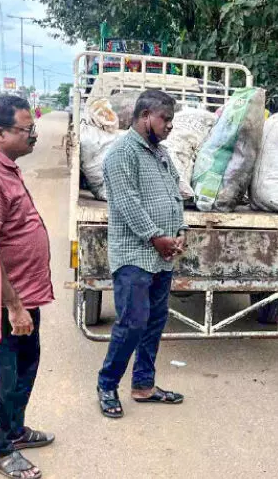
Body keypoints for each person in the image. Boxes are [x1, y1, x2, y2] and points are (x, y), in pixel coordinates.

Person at [0, 95, 55, 479]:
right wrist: (14, 306)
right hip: (7, 301)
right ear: (0, 133)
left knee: (24, 367)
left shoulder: (5, 167)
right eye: (27, 129)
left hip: (23, 295)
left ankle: (15, 430)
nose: (34, 135)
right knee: (5, 377)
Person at [96, 89, 187, 418]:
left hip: (162, 256)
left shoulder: (160, 153)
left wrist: (180, 233)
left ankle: (143, 385)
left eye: (172, 121)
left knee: (154, 323)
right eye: (165, 119)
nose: (169, 126)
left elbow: (175, 194)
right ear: (145, 115)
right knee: (132, 323)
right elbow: (126, 202)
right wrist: (155, 237)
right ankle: (107, 384)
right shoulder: (122, 153)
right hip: (134, 256)